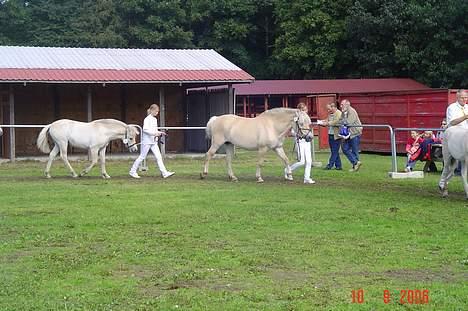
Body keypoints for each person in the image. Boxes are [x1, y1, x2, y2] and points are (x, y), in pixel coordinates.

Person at [129, 104, 175, 179]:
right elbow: (145, 130)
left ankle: (164, 173)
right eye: (156, 111)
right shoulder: (147, 119)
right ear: (152, 110)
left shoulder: (154, 119)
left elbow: (154, 130)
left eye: (158, 111)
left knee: (159, 157)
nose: (157, 113)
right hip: (147, 142)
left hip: (153, 141)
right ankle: (132, 171)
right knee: (142, 157)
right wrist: (155, 133)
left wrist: (160, 133)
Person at [289, 103, 315, 184]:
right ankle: (288, 170)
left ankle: (306, 178)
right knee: (302, 161)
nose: (305, 111)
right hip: (300, 141)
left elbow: (308, 127)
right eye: (303, 110)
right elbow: (293, 131)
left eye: (305, 109)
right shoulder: (296, 119)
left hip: (306, 140)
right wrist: (297, 134)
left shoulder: (307, 118)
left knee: (309, 161)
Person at [446, 89, 468, 175]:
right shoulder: (452, 107)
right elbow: (452, 122)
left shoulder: (467, 107)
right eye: (462, 98)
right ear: (457, 98)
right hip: (455, 135)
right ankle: (455, 171)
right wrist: (465, 117)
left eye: (466, 97)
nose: (465, 100)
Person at [339, 99, 363, 172]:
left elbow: (349, 122)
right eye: (341, 105)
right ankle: (356, 162)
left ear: (347, 104)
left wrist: (343, 121)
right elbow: (340, 121)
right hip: (348, 134)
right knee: (344, 148)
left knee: (354, 150)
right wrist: (343, 120)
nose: (341, 106)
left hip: (355, 133)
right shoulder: (343, 112)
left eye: (342, 105)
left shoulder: (352, 111)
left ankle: (355, 167)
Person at [318, 102, 342, 170]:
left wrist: (327, 123)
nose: (328, 111)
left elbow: (336, 122)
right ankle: (338, 166)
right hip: (330, 134)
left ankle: (329, 165)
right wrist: (321, 122)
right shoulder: (330, 114)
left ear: (333, 107)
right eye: (328, 109)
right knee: (334, 151)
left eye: (329, 109)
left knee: (334, 151)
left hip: (336, 135)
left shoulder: (339, 113)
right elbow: (327, 120)